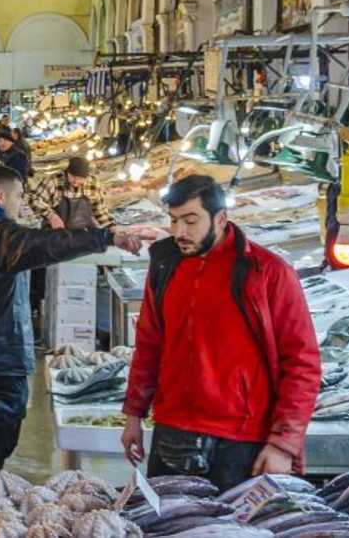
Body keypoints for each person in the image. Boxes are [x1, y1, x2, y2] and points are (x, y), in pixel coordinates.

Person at [0, 163, 153, 482]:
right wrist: (107, 237)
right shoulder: (1, 233)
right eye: (17, 197)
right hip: (0, 352)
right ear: (0, 196)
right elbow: (52, 244)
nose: (20, 204)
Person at [121, 175, 321, 490]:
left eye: (190, 221)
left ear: (221, 219)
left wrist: (284, 444)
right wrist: (134, 413)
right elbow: (149, 344)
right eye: (173, 221)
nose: (179, 232)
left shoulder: (267, 272)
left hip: (241, 441)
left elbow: (302, 363)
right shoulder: (164, 266)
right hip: (173, 431)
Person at [27, 156, 115, 333]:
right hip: (53, 237)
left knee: (77, 276)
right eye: (73, 177)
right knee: (48, 277)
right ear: (67, 173)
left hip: (79, 236)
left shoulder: (93, 185)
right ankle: (43, 311)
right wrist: (51, 215)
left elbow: (100, 210)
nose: (76, 181)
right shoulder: (53, 181)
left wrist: (112, 229)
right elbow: (32, 198)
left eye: (80, 178)